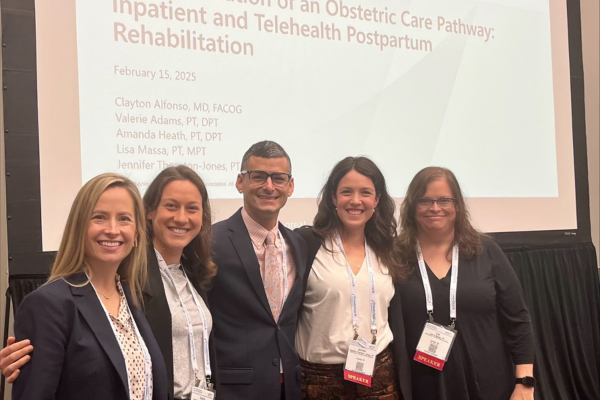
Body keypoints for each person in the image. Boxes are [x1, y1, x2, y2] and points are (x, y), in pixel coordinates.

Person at [3, 165, 218, 400]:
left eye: (124, 219)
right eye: (99, 217)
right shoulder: (48, 304)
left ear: (136, 233)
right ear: (79, 226)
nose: (113, 230)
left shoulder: (130, 297)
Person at [393, 166, 534, 400]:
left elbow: (518, 320)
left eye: (444, 200)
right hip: (423, 386)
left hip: (489, 383)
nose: (435, 207)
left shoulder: (486, 251)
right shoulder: (394, 256)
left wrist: (524, 382)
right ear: (411, 207)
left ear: (457, 205)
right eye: (425, 200)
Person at [294, 156, 412, 400]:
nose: (356, 200)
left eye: (366, 192)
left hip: (380, 378)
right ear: (334, 198)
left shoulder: (388, 249)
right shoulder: (306, 245)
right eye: (346, 191)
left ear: (377, 200)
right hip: (319, 382)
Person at [209, 141, 307, 400]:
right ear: (240, 181)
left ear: (290, 186)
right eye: (259, 176)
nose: (269, 186)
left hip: (289, 387)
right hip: (234, 389)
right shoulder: (210, 241)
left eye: (278, 178)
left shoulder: (298, 245)